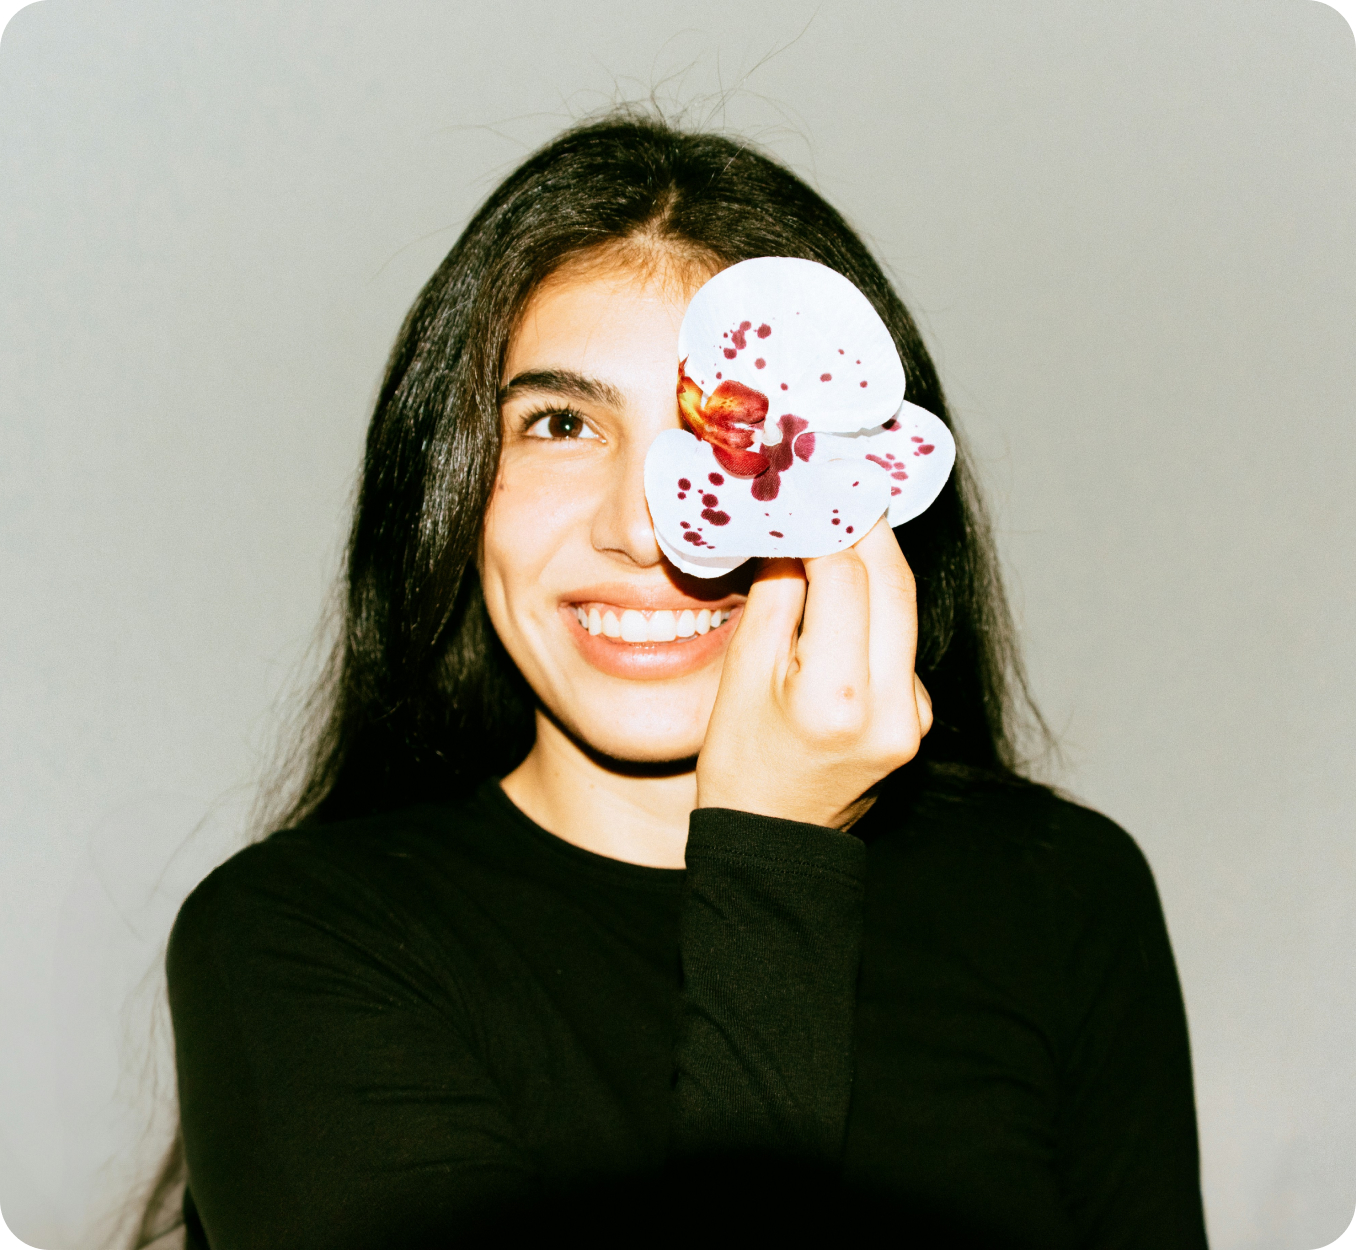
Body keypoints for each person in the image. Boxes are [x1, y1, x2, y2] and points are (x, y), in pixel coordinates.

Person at [146, 113, 1208, 1249]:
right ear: (449, 480)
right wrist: (774, 858)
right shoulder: (292, 944)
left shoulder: (1059, 895)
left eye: (735, 436)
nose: (649, 528)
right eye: (562, 423)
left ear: (864, 488)